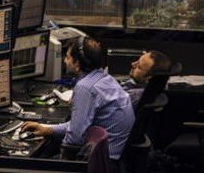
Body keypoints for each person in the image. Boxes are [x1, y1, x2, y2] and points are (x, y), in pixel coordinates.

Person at [21, 37, 135, 168]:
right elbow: (78, 126)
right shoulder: (105, 78)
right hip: (113, 158)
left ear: (77, 63)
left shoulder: (85, 88)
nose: (64, 61)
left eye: (67, 57)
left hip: (101, 163)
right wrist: (48, 129)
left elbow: (74, 138)